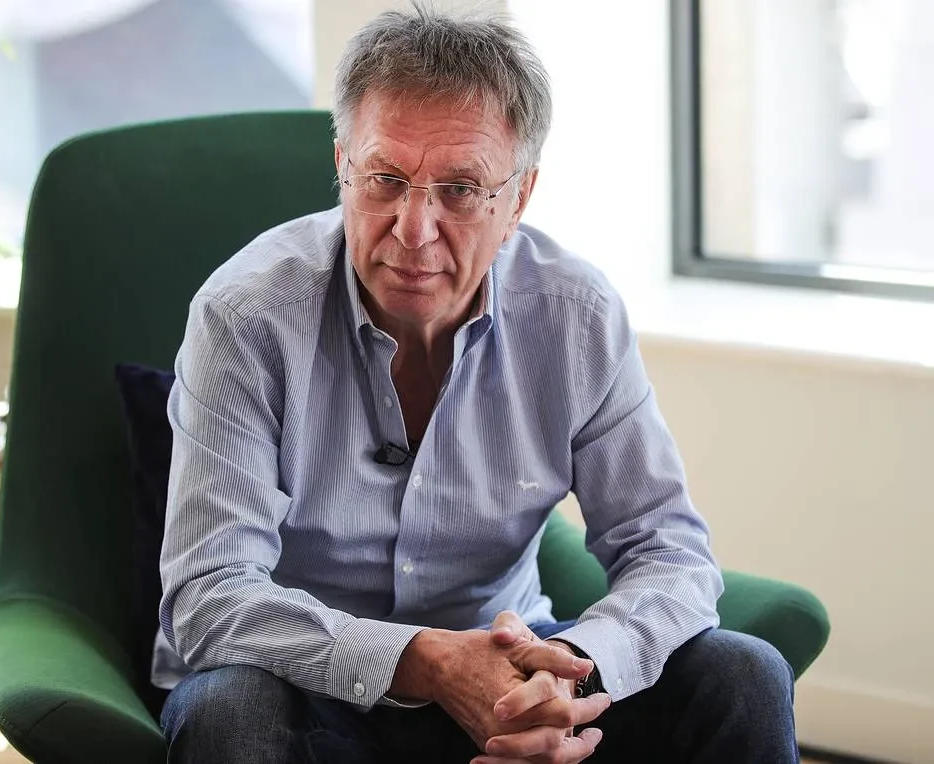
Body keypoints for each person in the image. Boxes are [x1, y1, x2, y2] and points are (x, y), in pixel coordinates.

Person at [153, 5, 798, 763]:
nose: (413, 228)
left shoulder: (575, 315)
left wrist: (568, 671)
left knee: (744, 676)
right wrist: (424, 660)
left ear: (518, 199)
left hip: (516, 666)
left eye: (460, 189)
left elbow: (670, 552)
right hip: (311, 684)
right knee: (228, 713)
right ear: (342, 166)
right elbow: (209, 595)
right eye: (385, 179)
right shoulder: (246, 315)